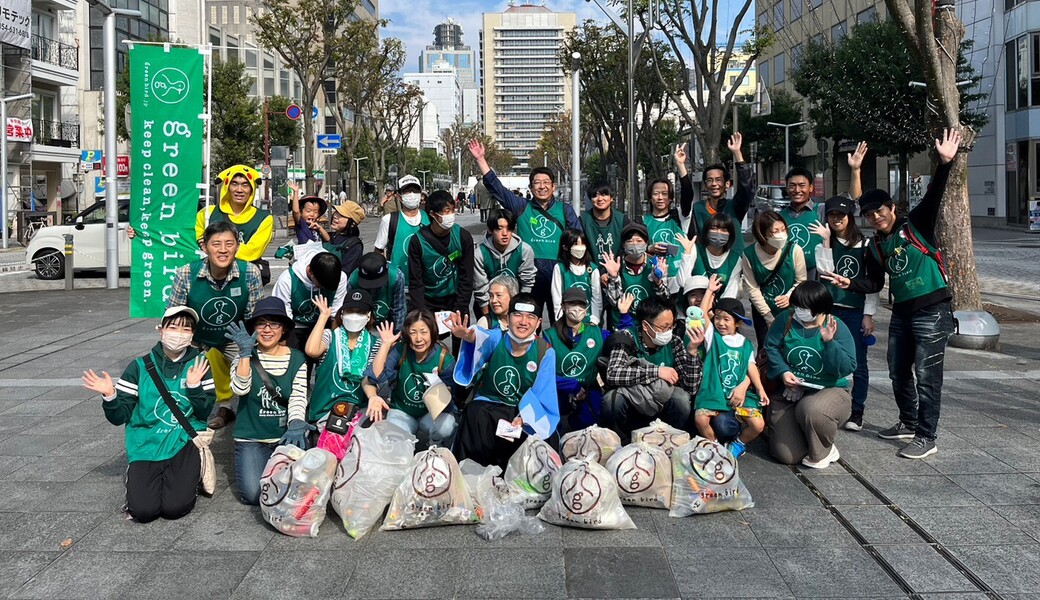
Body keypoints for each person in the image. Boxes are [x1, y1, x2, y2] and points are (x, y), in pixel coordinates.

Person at [824, 129, 961, 459]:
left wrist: (944, 163)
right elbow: (873, 283)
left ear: (891, 207)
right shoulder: (876, 244)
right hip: (902, 312)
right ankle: (908, 422)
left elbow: (934, 195)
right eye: (870, 215)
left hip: (932, 308)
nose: (875, 217)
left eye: (880, 211)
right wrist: (849, 284)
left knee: (927, 376)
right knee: (899, 370)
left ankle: (927, 436)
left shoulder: (916, 224)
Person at [84, 306, 215, 523]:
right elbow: (118, 417)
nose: (179, 334)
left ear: (192, 335)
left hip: (182, 442)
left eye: (186, 329)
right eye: (173, 327)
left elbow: (203, 412)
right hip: (146, 444)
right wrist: (110, 395)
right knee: (143, 511)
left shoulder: (200, 364)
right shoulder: (139, 367)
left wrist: (194, 386)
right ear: (160, 330)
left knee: (175, 508)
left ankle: (191, 477)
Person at [468, 139, 583, 316]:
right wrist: (481, 160)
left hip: (559, 275)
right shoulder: (522, 207)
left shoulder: (565, 210)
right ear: (530, 187)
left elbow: (578, 240)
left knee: (560, 323)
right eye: (537, 182)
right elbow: (497, 189)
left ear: (553, 186)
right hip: (530, 278)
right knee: (527, 323)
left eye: (546, 182)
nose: (542, 186)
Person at [167, 221, 264, 430]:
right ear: (204, 246)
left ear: (237, 246)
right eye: (216, 244)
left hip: (233, 336)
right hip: (196, 337)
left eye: (229, 244)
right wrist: (177, 346)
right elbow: (173, 316)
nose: (223, 250)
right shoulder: (186, 273)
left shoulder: (250, 272)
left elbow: (255, 317)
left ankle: (252, 417)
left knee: (259, 368)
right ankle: (179, 417)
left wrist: (248, 347)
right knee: (174, 371)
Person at [447, 293, 560, 469]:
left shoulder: (545, 351)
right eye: (517, 315)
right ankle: (471, 474)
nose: (523, 321)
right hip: (490, 404)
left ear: (538, 323)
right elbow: (481, 337)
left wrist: (525, 417)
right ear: (507, 319)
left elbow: (543, 392)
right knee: (474, 413)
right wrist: (468, 336)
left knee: (541, 431)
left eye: (530, 317)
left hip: (521, 409)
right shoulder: (498, 338)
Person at [225, 298, 311, 505]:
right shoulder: (243, 356)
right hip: (252, 438)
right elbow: (239, 389)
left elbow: (298, 396)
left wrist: (297, 422)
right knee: (254, 495)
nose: (267, 329)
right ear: (253, 328)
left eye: (274, 324)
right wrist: (244, 354)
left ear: (283, 330)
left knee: (297, 490)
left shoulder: (298, 358)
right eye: (261, 323)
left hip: (286, 436)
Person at [763, 281, 857, 469]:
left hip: (829, 389)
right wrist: (784, 372)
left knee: (811, 409)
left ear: (819, 308)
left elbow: (847, 366)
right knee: (786, 455)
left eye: (804, 308)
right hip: (790, 389)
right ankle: (805, 436)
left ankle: (824, 450)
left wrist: (830, 343)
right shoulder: (786, 319)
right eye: (796, 306)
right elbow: (770, 347)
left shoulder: (835, 326)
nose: (799, 311)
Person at [811, 191, 877, 432]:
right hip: (830, 310)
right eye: (832, 215)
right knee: (826, 356)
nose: (837, 219)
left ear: (850, 216)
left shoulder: (866, 244)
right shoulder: (825, 242)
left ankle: (857, 410)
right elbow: (825, 273)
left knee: (859, 363)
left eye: (841, 214)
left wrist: (869, 314)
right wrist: (827, 242)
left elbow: (872, 283)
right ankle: (827, 404)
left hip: (855, 310)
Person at [599, 296, 705, 441]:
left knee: (682, 400)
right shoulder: (627, 338)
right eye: (663, 327)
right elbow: (613, 374)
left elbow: (690, 388)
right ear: (645, 326)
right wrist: (657, 372)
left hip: (662, 400)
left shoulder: (674, 342)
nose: (668, 331)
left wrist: (692, 352)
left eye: (671, 326)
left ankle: (669, 440)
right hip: (633, 398)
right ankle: (620, 441)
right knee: (612, 400)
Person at [691, 281, 769, 459]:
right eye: (717, 317)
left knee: (758, 424)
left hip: (739, 394)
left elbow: (751, 366)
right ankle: (715, 446)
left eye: (726, 319)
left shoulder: (745, 344)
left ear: (738, 323)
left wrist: (759, 388)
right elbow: (702, 315)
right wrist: (710, 291)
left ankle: (738, 444)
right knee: (700, 419)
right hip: (714, 391)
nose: (720, 323)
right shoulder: (713, 338)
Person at [364, 310, 459, 449]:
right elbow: (375, 375)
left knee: (447, 426)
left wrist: (445, 392)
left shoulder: (444, 358)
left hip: (431, 414)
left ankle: (436, 448)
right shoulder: (401, 349)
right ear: (407, 333)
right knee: (394, 441)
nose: (418, 338)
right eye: (413, 332)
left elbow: (455, 396)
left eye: (423, 332)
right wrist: (385, 344)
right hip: (402, 411)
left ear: (432, 332)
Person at [544, 289, 619, 432]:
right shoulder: (550, 336)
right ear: (563, 307)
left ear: (586, 309)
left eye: (581, 305)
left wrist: (623, 315)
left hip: (589, 389)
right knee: (550, 424)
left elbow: (622, 339)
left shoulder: (597, 333)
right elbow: (544, 373)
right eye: (572, 304)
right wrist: (572, 387)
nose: (577, 308)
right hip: (559, 389)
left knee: (593, 423)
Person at [305, 290, 382, 424]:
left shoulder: (375, 343)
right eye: (350, 310)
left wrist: (373, 397)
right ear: (342, 313)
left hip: (358, 411)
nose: (354, 316)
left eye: (360, 312)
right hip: (325, 410)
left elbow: (370, 377)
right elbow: (312, 350)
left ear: (369, 315)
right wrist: (323, 317)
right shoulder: (330, 336)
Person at [196, 165, 275, 284]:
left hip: (245, 280)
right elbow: (197, 241)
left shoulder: (264, 219)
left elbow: (252, 252)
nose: (239, 190)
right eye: (234, 184)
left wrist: (214, 246)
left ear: (252, 188)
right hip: (208, 279)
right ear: (227, 186)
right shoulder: (208, 213)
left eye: (245, 185)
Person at [677, 136, 755, 254]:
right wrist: (680, 165)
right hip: (705, 266)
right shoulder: (696, 210)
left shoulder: (735, 207)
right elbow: (686, 194)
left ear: (727, 184)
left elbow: (747, 187)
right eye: (710, 180)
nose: (714, 184)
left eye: (718, 180)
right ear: (704, 185)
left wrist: (737, 154)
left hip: (733, 266)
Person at [742, 210, 807, 346]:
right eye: (775, 231)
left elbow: (801, 281)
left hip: (790, 311)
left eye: (783, 229)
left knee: (790, 347)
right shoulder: (749, 254)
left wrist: (790, 296)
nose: (781, 235)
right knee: (766, 349)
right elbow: (752, 288)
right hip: (763, 311)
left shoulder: (794, 250)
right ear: (763, 234)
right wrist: (768, 317)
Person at [407, 190, 475, 316]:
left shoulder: (463, 237)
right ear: (433, 214)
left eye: (453, 210)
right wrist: (422, 313)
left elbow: (467, 277)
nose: (451, 215)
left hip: (455, 298)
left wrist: (460, 308)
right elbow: (416, 281)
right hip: (428, 300)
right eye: (447, 211)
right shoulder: (417, 241)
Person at [271, 248, 346, 351]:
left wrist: (336, 345)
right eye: (320, 285)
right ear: (310, 271)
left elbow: (335, 313)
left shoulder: (339, 278)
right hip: (295, 325)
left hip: (324, 323)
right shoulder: (287, 279)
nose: (322, 289)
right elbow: (283, 317)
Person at [601, 222, 671, 328]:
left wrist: (658, 282)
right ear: (623, 244)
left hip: (649, 325)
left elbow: (664, 300)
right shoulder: (616, 265)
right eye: (630, 241)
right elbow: (615, 303)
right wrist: (614, 276)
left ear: (646, 243)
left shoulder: (657, 265)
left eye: (639, 241)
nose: (635, 245)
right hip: (622, 324)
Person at [473, 208, 536, 316]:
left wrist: (520, 310)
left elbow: (527, 283)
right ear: (490, 230)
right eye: (499, 228)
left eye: (509, 228)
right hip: (489, 303)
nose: (505, 233)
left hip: (516, 302)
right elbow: (480, 286)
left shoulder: (524, 250)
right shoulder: (479, 253)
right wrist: (487, 316)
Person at [375, 175, 428, 279]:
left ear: (420, 195)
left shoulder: (430, 218)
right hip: (398, 285)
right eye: (407, 191)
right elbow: (378, 251)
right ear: (399, 196)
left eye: (415, 190)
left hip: (425, 286)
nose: (412, 194)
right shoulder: (389, 220)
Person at [551, 229, 603, 325]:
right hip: (566, 321)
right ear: (565, 247)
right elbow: (557, 297)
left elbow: (597, 298)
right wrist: (560, 320)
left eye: (583, 243)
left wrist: (594, 320)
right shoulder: (560, 268)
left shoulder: (592, 269)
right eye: (576, 244)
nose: (580, 248)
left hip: (588, 321)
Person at [780, 166, 824, 280]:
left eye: (802, 185)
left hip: (815, 274)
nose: (797, 190)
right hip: (787, 274)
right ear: (786, 188)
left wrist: (855, 170)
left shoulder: (821, 211)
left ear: (810, 188)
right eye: (792, 186)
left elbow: (851, 205)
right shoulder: (779, 216)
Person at [348, 252, 406, 332]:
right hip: (364, 325)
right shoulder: (352, 281)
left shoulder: (396, 277)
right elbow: (353, 312)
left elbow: (398, 309)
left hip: (388, 325)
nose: (373, 289)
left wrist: (396, 335)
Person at [692, 213, 743, 299]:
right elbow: (682, 282)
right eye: (714, 228)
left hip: (719, 305)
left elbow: (730, 293)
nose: (719, 233)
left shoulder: (735, 259)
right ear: (706, 231)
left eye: (724, 230)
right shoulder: (695, 250)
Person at [580, 183, 630, 269]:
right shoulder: (582, 221)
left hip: (618, 270)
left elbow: (627, 247)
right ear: (590, 199)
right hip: (590, 271)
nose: (600, 199)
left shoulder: (623, 220)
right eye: (595, 195)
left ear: (611, 198)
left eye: (604, 194)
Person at [642, 177, 685, 279]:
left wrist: (681, 165)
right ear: (650, 198)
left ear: (671, 198)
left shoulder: (679, 217)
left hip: (677, 276)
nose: (660, 198)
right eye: (656, 194)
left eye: (664, 194)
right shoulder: (643, 221)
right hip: (652, 276)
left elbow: (687, 193)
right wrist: (650, 248)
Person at [325, 200, 365, 276]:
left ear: (352, 223)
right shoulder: (327, 236)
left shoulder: (354, 245)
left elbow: (345, 273)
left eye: (342, 215)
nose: (336, 216)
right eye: (336, 212)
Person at [287, 180, 328, 245]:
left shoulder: (316, 226)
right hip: (306, 253)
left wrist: (320, 228)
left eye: (315, 212)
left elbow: (327, 239)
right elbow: (296, 211)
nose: (312, 214)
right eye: (308, 211)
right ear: (301, 212)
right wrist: (296, 192)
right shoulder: (301, 223)